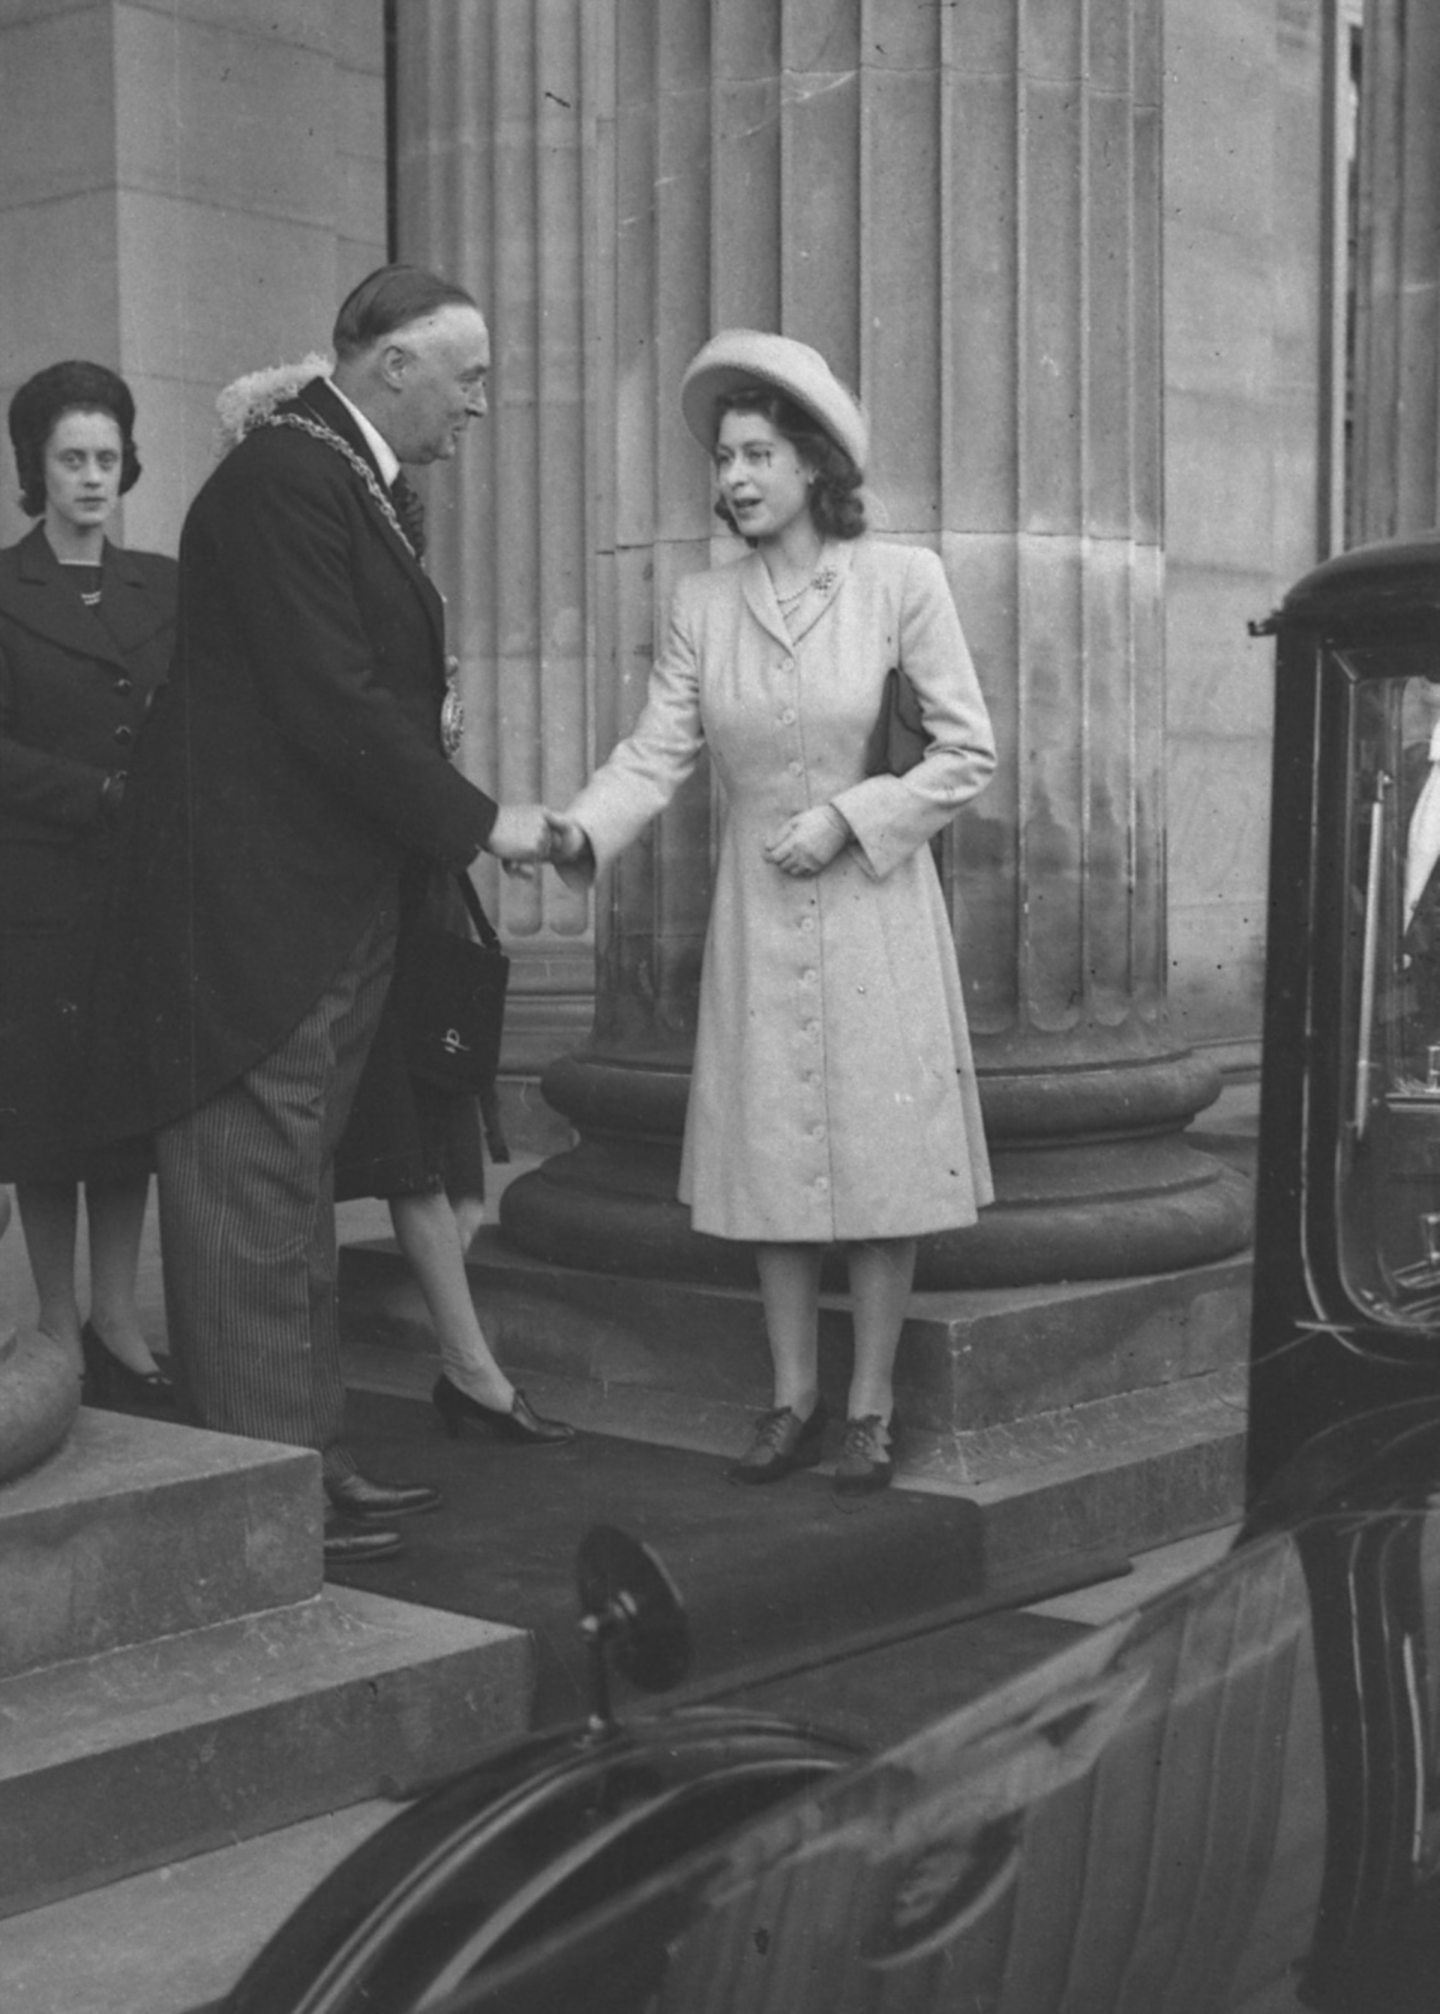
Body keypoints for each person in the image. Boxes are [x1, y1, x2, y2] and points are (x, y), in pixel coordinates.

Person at [115, 266, 551, 1565]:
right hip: (255, 909)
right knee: (251, 1201)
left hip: (309, 901)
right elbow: (333, 699)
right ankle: (260, 1504)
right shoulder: (288, 480)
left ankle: (306, 1463)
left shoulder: (328, 473)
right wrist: (483, 821)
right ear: (392, 366)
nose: (481, 404)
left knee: (289, 1195)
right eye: (466, 377)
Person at [547, 330, 996, 1495]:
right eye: (726, 457)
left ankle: (871, 1407)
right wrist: (580, 828)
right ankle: (789, 1397)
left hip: (873, 906)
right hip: (757, 912)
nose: (735, 477)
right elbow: (657, 751)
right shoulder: (706, 602)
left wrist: (853, 816)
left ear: (812, 466)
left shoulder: (902, 582)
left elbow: (967, 751)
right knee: (774, 1164)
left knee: (880, 1166)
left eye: (757, 454)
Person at [0, 361, 176, 1410]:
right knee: (48, 1116)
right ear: (37, 467)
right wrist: (101, 791)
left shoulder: (165, 581)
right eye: (72, 458)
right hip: (39, 892)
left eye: (108, 458)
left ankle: (118, 1316)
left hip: (141, 889)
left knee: (125, 1110)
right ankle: (56, 1323)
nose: (94, 477)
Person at [333, 843, 574, 1450]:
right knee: (407, 1162)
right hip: (364, 923)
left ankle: (469, 1370)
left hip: (415, 925)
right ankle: (467, 1372)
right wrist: (485, 826)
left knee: (433, 1170)